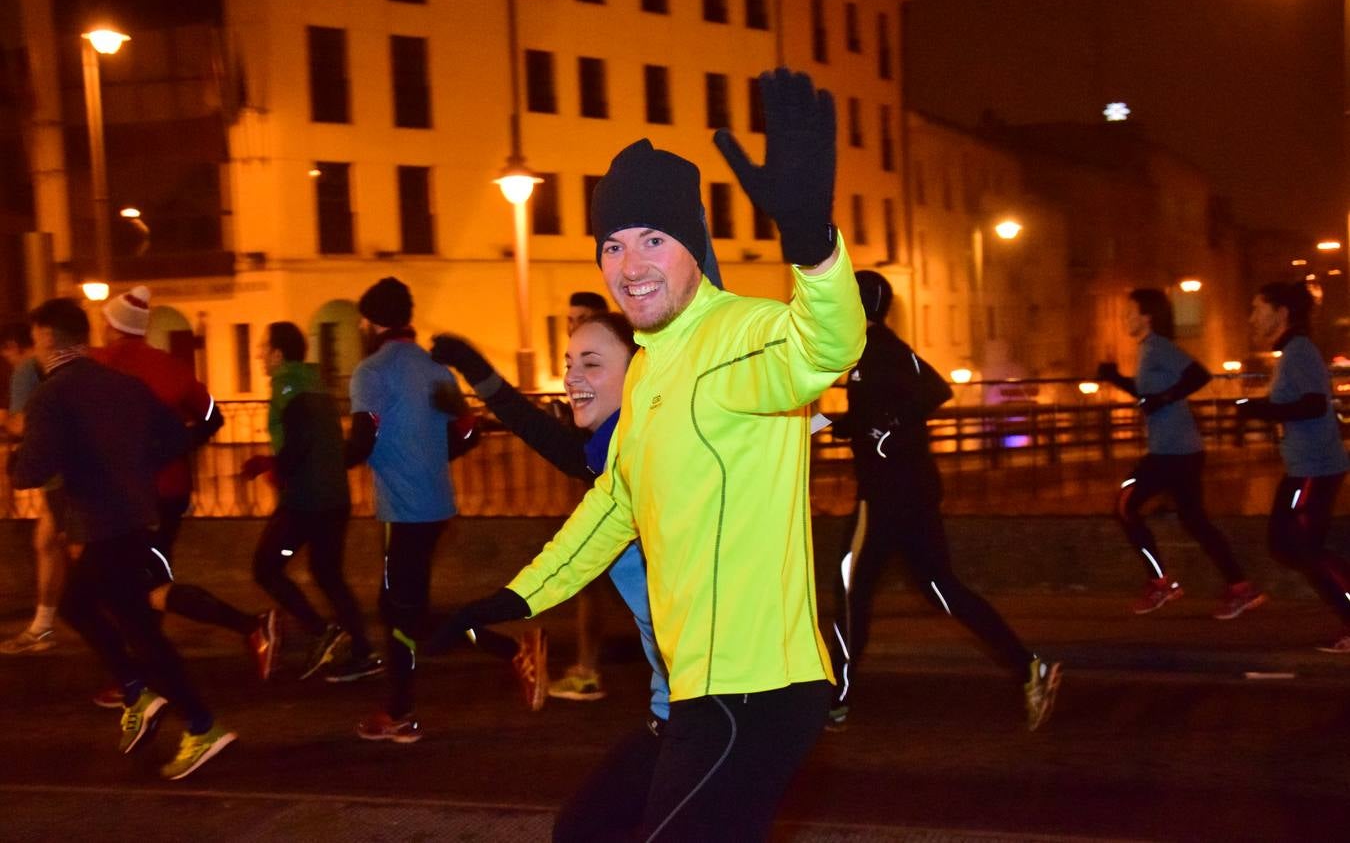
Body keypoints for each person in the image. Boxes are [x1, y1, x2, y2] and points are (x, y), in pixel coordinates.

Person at [411, 68, 863, 840]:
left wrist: (814, 247)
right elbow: (612, 506)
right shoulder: (651, 362)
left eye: (654, 239)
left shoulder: (740, 335)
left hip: (755, 693)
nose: (631, 265)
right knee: (584, 831)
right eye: (613, 245)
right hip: (693, 693)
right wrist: (514, 601)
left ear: (694, 246)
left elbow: (829, 345)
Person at [434, 312, 678, 841]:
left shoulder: (661, 457)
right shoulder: (608, 454)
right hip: (677, 706)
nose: (571, 376)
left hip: (722, 705)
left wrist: (489, 609)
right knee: (582, 831)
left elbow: (569, 559)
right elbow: (536, 429)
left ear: (642, 370)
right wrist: (477, 372)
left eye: (592, 363)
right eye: (569, 363)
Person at [10, 297, 235, 779]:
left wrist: (18, 456)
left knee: (139, 629)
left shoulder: (53, 394)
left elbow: (30, 471)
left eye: (34, 339)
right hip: (138, 518)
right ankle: (141, 695)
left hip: (102, 525)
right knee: (78, 605)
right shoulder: (124, 385)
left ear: (48, 337)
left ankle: (198, 723)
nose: (33, 348)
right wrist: (134, 470)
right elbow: (177, 439)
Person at [828, 271, 1060, 732]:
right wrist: (838, 424)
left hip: (885, 496)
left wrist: (886, 427)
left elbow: (936, 390)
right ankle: (1028, 666)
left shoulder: (877, 350)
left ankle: (837, 698)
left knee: (849, 590)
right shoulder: (875, 352)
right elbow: (871, 415)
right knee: (940, 588)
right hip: (912, 490)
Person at [92, 286, 278, 689]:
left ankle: (248, 626)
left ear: (111, 326)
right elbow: (212, 417)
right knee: (143, 581)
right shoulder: (172, 367)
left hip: (127, 495)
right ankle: (146, 668)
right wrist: (177, 447)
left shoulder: (99, 363)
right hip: (171, 490)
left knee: (141, 585)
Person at [1097, 288, 1266, 618]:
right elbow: (1149, 394)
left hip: (1172, 450)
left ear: (1147, 317)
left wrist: (1165, 398)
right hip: (1179, 448)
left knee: (1126, 505)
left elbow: (1199, 375)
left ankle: (1161, 583)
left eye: (1130, 312)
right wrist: (1116, 378)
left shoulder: (1158, 346)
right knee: (1195, 521)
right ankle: (1241, 587)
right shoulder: (1148, 350)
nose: (1125, 319)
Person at [346, 277, 463, 742]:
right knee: (402, 606)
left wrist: (317, 466)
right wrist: (425, 454)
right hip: (438, 505)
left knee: (398, 611)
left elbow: (362, 438)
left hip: (403, 508)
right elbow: (464, 436)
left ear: (371, 322)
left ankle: (400, 711)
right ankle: (401, 704)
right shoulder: (437, 370)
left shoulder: (371, 372)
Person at [242, 322, 381, 682]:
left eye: (262, 347)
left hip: (307, 499)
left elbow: (301, 438)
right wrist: (273, 464)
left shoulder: (289, 385)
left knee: (266, 566)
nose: (258, 354)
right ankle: (363, 651)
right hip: (334, 497)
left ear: (277, 353)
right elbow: (318, 438)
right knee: (327, 573)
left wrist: (277, 468)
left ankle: (324, 633)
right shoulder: (316, 383)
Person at [1239, 281, 1350, 652]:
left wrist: (1260, 409)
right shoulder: (1290, 353)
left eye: (1258, 308)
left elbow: (1314, 405)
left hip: (1314, 468)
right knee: (1285, 545)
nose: (1252, 318)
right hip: (1303, 467)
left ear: (1281, 313)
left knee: (1302, 546)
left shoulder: (1299, 351)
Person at [546, 290, 615, 702]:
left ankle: (589, 671)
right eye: (570, 318)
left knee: (591, 580)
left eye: (583, 317)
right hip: (598, 490)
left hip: (613, 491)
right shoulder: (581, 362)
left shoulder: (609, 364)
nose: (574, 324)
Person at [0, 322, 65, 655]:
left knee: (59, 546)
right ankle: (44, 624)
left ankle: (44, 628)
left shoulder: (26, 369)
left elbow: (21, 423)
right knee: (47, 542)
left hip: (59, 475)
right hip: (70, 471)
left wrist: (4, 422)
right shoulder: (55, 368)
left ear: (12, 344)